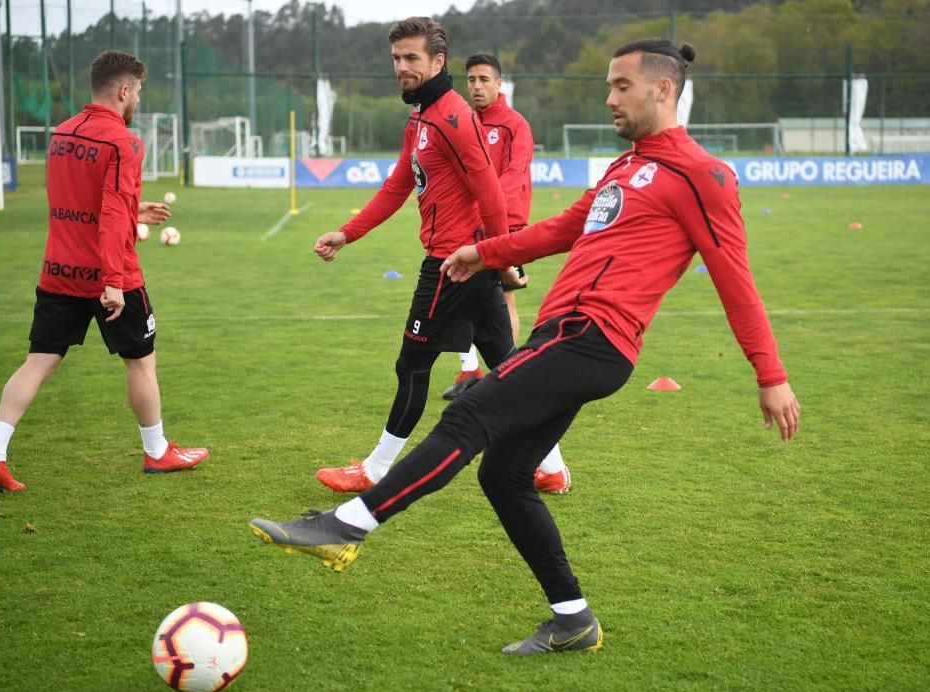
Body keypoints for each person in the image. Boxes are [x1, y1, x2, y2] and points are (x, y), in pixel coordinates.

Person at [250, 39, 800, 655]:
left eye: (622, 86)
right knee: (506, 475)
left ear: (664, 89)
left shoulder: (704, 174)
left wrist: (770, 374)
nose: (610, 98)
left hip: (594, 338)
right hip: (561, 332)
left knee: (467, 410)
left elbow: (736, 279)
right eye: (610, 86)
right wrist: (484, 252)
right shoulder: (624, 169)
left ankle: (346, 524)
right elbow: (564, 228)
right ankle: (573, 619)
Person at [0, 50, 209, 492]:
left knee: (39, 360)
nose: (138, 98)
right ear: (123, 91)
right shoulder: (124, 142)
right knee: (140, 363)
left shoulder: (61, 134)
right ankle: (157, 451)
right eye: (138, 91)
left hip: (59, 270)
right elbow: (111, 215)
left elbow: (82, 201)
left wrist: (137, 210)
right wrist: (114, 282)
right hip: (111, 275)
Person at [312, 17, 518, 494]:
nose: (401, 67)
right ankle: (550, 465)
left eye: (411, 59)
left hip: (452, 264)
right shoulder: (421, 118)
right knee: (507, 366)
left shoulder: (452, 116)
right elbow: (397, 187)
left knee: (412, 366)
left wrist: (499, 254)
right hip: (469, 260)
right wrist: (347, 234)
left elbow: (489, 190)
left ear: (438, 61)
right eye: (396, 59)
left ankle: (376, 469)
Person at [442, 53, 572, 493]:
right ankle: (481, 372)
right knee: (475, 309)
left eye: (484, 80)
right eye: (471, 80)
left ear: (500, 85)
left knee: (501, 304)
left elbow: (514, 177)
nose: (476, 86)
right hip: (466, 229)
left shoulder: (513, 124)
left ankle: (499, 374)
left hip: (502, 226)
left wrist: (504, 233)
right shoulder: (465, 122)